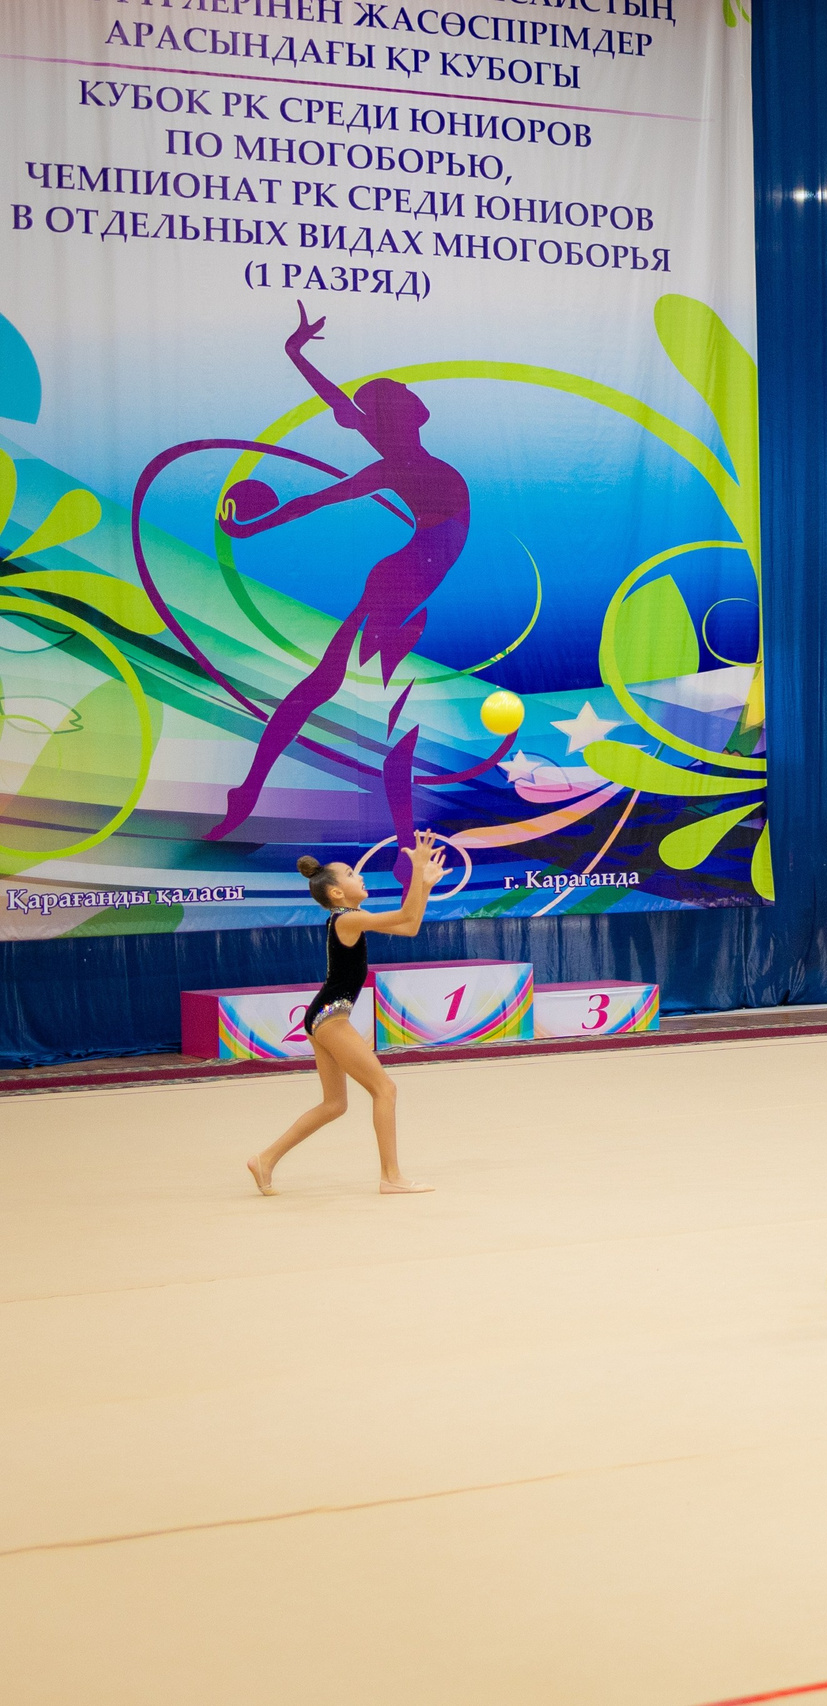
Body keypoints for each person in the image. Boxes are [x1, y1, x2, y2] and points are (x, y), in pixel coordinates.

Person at [210, 303, 472, 857]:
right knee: (339, 690)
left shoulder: (395, 456)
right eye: (391, 400)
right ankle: (257, 794)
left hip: (411, 577)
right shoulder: (394, 464)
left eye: (387, 400)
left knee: (332, 687)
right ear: (398, 417)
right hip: (407, 577)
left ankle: (253, 792)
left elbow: (340, 409)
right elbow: (316, 494)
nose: (393, 403)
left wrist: (296, 352)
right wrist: (254, 528)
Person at [247, 832, 445, 1197]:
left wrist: (426, 886)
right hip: (330, 1017)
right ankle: (391, 1176)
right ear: (336, 892)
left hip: (323, 1015)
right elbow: (404, 913)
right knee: (384, 1088)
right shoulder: (346, 920)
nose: (361, 877)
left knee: (334, 1104)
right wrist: (417, 870)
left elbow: (410, 926)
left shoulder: (351, 917)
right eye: (353, 874)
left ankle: (266, 1159)